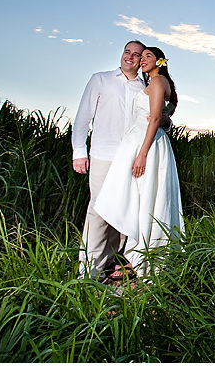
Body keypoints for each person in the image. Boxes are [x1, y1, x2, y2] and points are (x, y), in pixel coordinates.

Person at [73, 40, 172, 280]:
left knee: (129, 208)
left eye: (136, 54)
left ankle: (114, 262)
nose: (130, 56)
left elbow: (159, 118)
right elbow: (83, 116)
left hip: (132, 155)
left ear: (142, 61)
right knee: (99, 209)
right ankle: (88, 269)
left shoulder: (145, 87)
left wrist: (165, 122)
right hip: (103, 154)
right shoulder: (101, 79)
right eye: (127, 52)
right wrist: (79, 151)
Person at [94, 46, 185, 280]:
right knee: (140, 197)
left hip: (146, 144)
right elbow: (168, 110)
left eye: (148, 56)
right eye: (141, 56)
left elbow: (155, 118)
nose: (142, 60)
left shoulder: (156, 82)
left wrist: (142, 153)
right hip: (142, 141)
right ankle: (131, 257)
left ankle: (139, 260)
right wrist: (168, 119)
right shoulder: (160, 83)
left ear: (159, 61)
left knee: (143, 198)